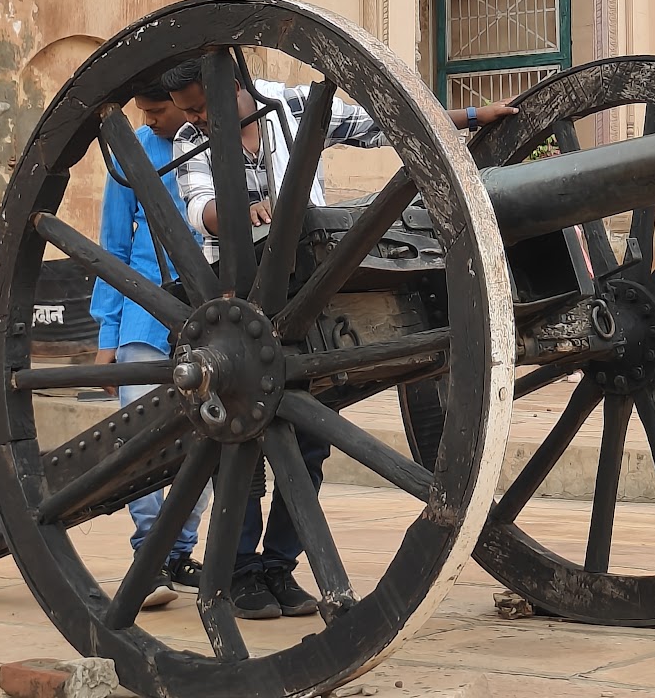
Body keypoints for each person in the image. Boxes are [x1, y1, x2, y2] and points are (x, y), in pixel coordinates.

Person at [162, 58, 516, 619]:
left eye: (204, 107)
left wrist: (470, 116)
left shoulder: (291, 106)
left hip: (304, 292)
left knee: (308, 445)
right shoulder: (191, 138)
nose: (198, 120)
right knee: (243, 453)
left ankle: (279, 566)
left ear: (236, 87)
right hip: (234, 300)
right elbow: (196, 204)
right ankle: (239, 573)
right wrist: (232, 214)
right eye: (191, 113)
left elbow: (376, 124)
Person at [89, 82, 207, 610]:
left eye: (159, 110)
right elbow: (113, 247)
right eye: (148, 112)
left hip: (208, 322)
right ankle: (148, 550)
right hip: (143, 316)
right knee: (139, 440)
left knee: (205, 444)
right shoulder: (132, 152)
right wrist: (106, 339)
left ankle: (178, 551)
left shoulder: (207, 140)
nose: (154, 120)